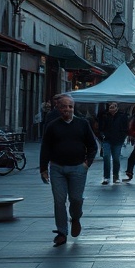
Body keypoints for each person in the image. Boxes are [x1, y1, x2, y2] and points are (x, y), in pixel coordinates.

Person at [40, 94, 97, 247]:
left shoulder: (82, 124)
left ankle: (76, 218)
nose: (67, 109)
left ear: (73, 108)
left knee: (76, 199)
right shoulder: (52, 126)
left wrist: (87, 163)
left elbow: (92, 145)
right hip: (57, 168)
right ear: (58, 108)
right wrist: (43, 168)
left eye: (70, 106)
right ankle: (62, 232)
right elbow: (45, 147)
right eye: (64, 106)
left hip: (78, 168)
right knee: (59, 201)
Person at [97, 101, 128, 185]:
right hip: (107, 140)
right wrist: (102, 135)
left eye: (113, 106)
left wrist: (122, 137)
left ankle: (115, 176)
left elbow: (125, 128)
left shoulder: (122, 116)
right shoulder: (105, 116)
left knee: (116, 158)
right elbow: (100, 127)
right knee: (106, 157)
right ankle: (106, 177)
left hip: (117, 140)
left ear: (117, 108)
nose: (111, 108)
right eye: (110, 106)